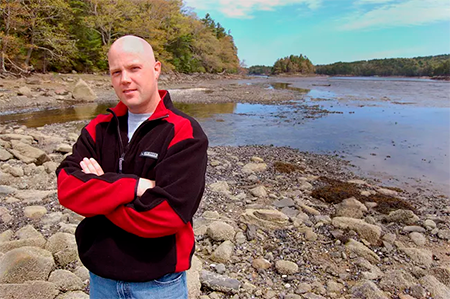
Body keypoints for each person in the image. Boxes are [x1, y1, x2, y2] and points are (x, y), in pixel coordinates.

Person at [56, 35, 208, 299]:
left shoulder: (185, 132)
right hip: (101, 281)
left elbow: (167, 214)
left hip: (159, 284)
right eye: (116, 72)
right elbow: (67, 187)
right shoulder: (98, 128)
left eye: (134, 68)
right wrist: (135, 186)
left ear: (156, 68)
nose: (124, 79)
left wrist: (101, 194)